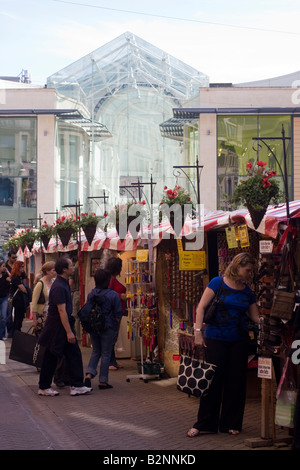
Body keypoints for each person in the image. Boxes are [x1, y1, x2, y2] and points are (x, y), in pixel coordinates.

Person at [187, 253, 259, 438]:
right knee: (211, 381)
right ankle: (204, 424)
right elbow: (201, 307)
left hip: (239, 340)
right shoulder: (217, 282)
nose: (250, 273)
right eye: (247, 270)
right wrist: (197, 333)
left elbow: (254, 316)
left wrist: (270, 321)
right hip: (216, 338)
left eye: (251, 270)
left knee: (236, 382)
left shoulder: (247, 290)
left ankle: (231, 423)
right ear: (237, 266)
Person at [37, 256, 92, 397]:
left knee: (72, 354)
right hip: (57, 328)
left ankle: (76, 385)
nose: (73, 267)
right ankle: (45, 386)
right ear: (64, 269)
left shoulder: (63, 284)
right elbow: (61, 311)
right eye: (71, 266)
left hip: (60, 326)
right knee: (52, 356)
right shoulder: (59, 287)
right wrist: (69, 332)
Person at [84, 268, 123, 390]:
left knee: (96, 351)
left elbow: (87, 310)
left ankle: (89, 374)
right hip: (108, 326)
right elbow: (118, 314)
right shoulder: (113, 295)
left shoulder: (91, 294)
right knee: (106, 354)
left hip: (94, 327)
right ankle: (103, 381)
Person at [105, 256, 127, 370]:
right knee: (112, 338)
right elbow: (107, 293)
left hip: (117, 311)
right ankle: (109, 362)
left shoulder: (112, 278)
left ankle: (112, 361)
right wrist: (121, 296)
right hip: (113, 312)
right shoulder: (110, 279)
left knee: (113, 337)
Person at [31, 261, 56, 336]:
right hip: (42, 315)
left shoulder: (54, 281)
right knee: (43, 337)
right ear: (47, 271)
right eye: (53, 270)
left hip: (53, 314)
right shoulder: (40, 284)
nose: (55, 272)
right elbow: (34, 303)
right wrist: (34, 320)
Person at [9, 260, 29, 332]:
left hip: (22, 298)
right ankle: (16, 331)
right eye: (22, 267)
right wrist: (26, 290)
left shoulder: (21, 275)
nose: (23, 268)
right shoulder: (15, 278)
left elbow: (25, 284)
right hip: (17, 299)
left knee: (20, 315)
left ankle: (17, 330)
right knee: (18, 315)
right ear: (18, 267)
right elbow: (23, 288)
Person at [5, 250, 18, 337]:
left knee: (18, 312)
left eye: (16, 257)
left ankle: (16, 331)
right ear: (9, 257)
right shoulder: (4, 266)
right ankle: (10, 332)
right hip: (8, 292)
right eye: (13, 257)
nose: (15, 259)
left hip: (17, 292)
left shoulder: (17, 266)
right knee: (8, 313)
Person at [0, 260, 10, 340]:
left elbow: (12, 279)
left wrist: (8, 271)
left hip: (4, 298)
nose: (4, 268)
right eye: (3, 266)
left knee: (3, 316)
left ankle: (3, 334)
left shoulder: (5, 275)